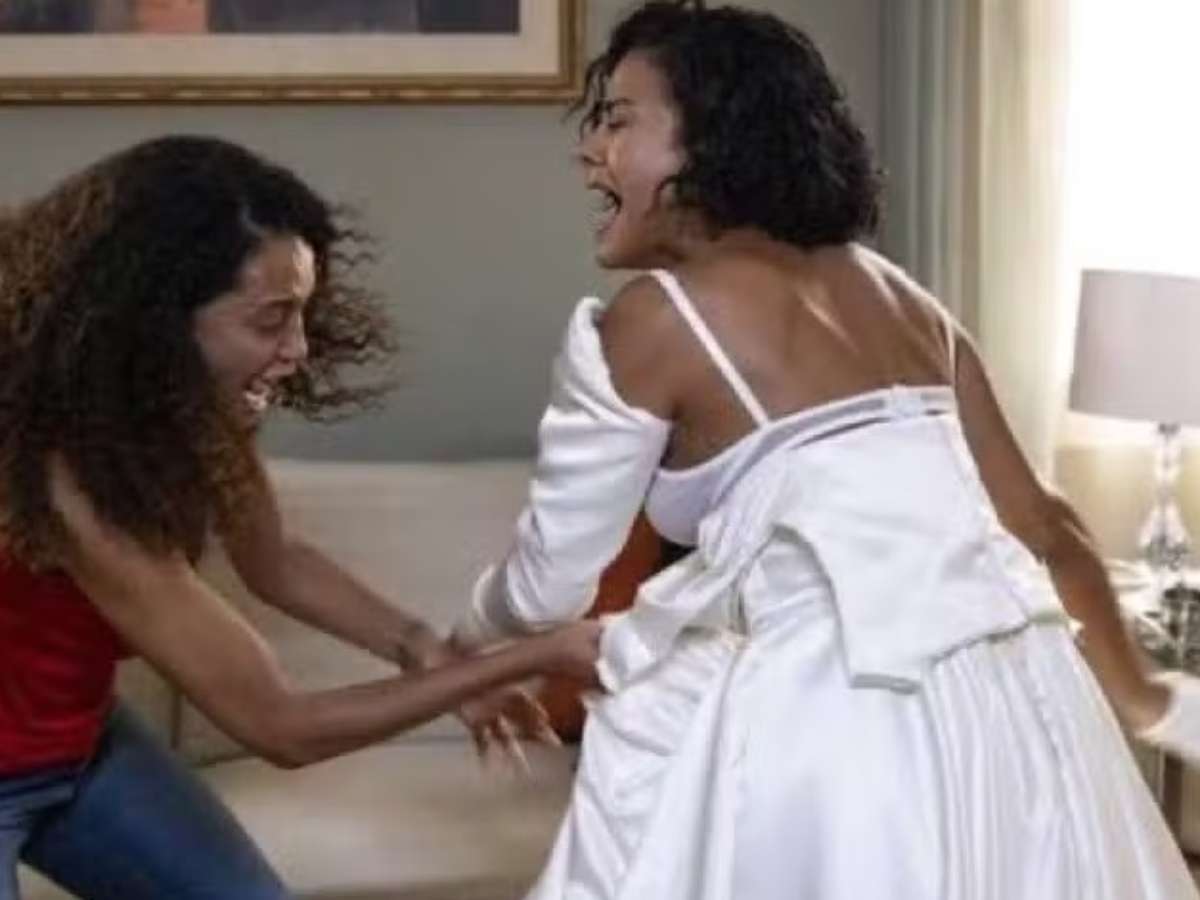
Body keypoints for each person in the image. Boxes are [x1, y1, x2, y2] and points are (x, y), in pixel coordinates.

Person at [450, 3, 1200, 897]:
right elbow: (1044, 528)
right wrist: (1146, 698)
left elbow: (549, 586)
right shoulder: (906, 303)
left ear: (708, 140)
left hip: (842, 727)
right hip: (1021, 715)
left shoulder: (658, 318)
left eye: (617, 120)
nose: (590, 151)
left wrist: (465, 640)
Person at [0, 135, 600, 900]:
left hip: (77, 749)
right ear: (155, 320)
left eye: (303, 314)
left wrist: (429, 652)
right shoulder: (66, 478)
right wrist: (532, 656)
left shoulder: (181, 407)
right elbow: (282, 727)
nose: (298, 349)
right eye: (271, 320)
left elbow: (275, 559)